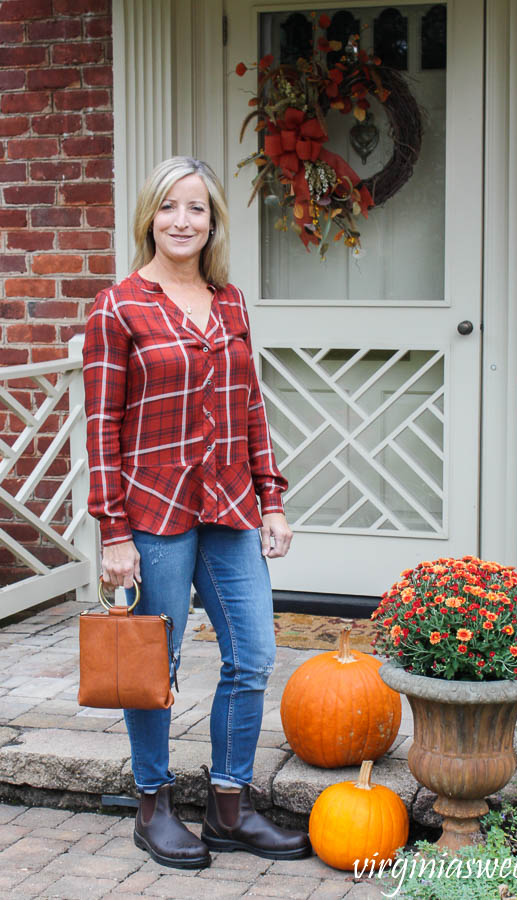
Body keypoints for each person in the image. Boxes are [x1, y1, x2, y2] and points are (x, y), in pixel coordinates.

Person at [83, 156, 311, 869]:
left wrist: (271, 498)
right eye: (170, 208)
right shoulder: (117, 306)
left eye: (198, 210)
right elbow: (100, 428)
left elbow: (249, 405)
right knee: (158, 662)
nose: (183, 221)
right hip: (153, 510)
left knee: (253, 655)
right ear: (149, 216)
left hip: (231, 506)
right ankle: (153, 806)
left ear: (213, 222)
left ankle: (227, 806)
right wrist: (112, 532)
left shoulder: (231, 301)